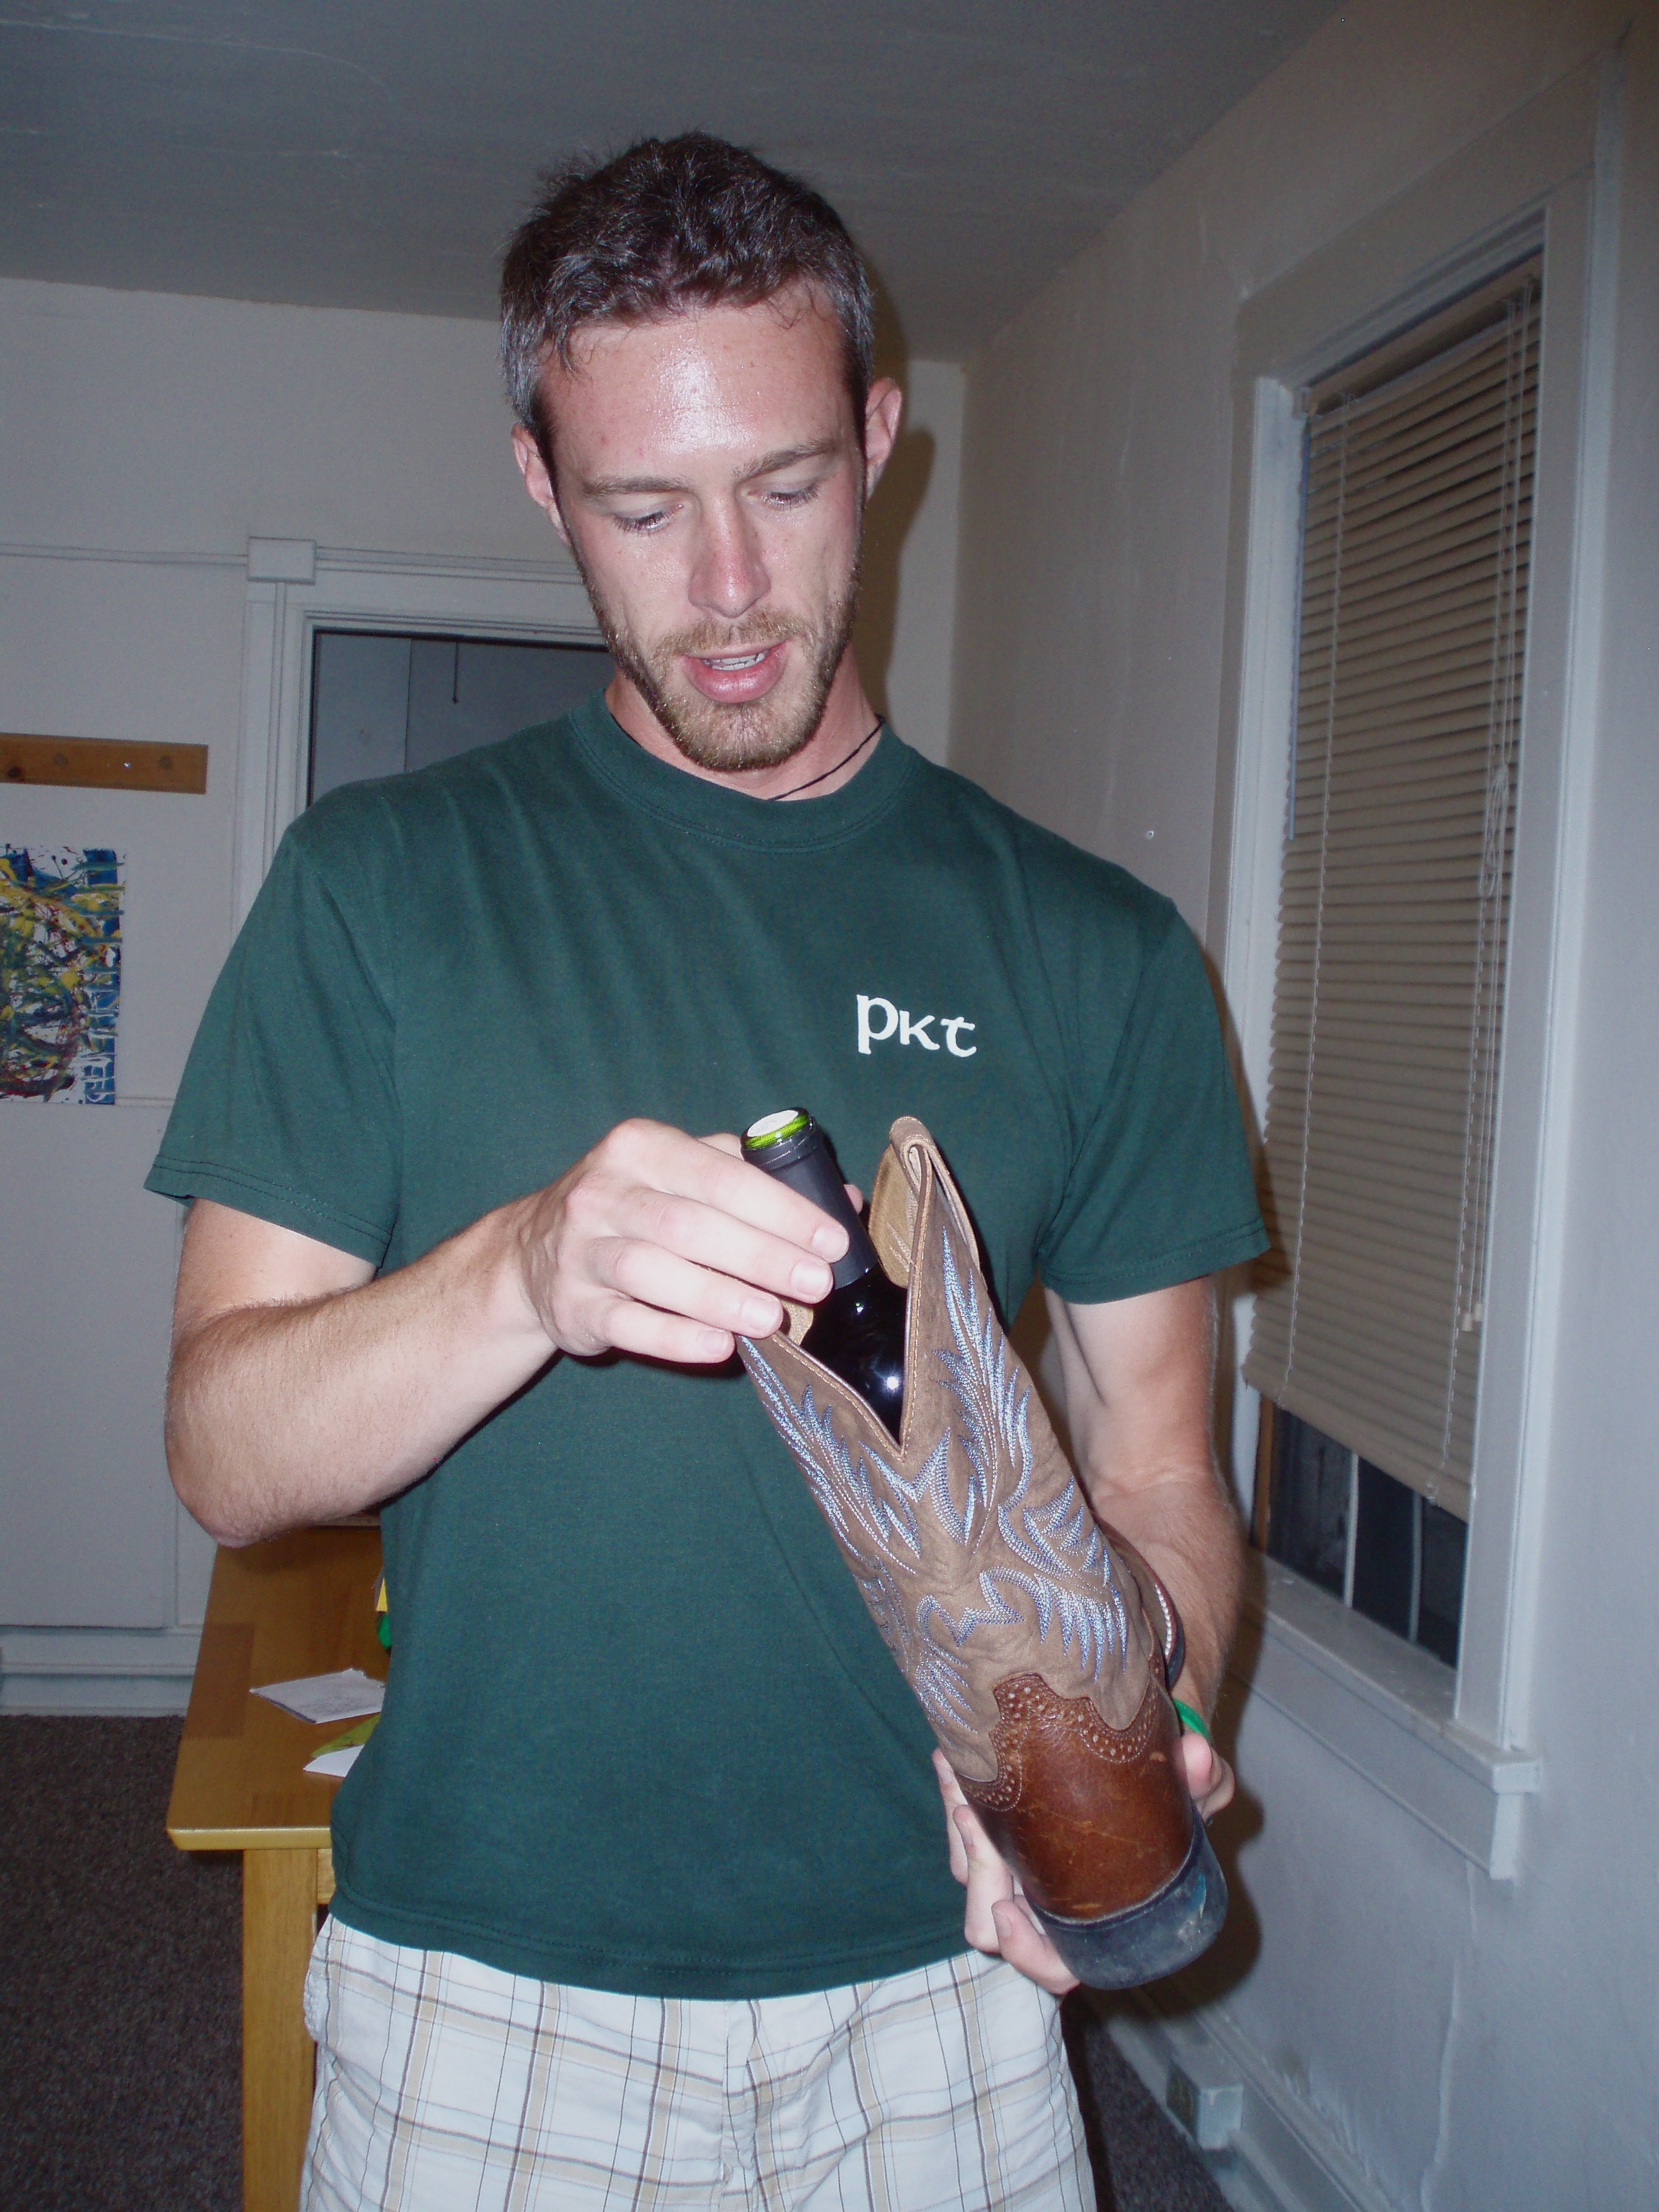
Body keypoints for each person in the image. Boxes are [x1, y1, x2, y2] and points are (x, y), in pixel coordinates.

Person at [148, 133, 1266, 2211]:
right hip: (489, 1982)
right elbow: (225, 1450)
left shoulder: (1098, 953)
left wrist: (1136, 1724)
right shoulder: (376, 887)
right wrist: (522, 1271)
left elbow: (1163, 1471)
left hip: (941, 1991)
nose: (732, 589)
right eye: (645, 510)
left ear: (881, 437)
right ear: (540, 483)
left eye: (786, 486)